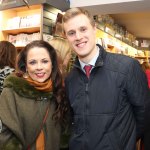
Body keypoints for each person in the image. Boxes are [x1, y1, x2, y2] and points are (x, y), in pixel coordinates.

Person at [62, 7, 149, 150]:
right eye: (71, 33)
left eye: (83, 29)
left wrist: (123, 141)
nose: (78, 37)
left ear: (94, 29)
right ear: (67, 37)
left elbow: (144, 114)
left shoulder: (127, 67)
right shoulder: (70, 79)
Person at [0, 40, 69, 150]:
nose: (39, 67)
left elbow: (64, 136)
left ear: (52, 64)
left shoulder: (59, 91)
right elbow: (7, 137)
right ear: (26, 66)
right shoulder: (12, 91)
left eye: (45, 61)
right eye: (32, 62)